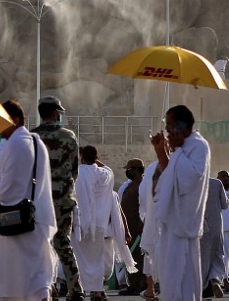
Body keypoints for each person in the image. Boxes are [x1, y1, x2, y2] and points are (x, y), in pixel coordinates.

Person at [0, 99, 57, 301]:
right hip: (35, 218)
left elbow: (12, 183)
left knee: (20, 278)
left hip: (21, 222)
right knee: (35, 275)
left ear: (15, 120)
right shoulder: (34, 141)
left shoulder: (19, 143)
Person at [149, 105, 210, 299]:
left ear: (182, 126)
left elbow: (188, 179)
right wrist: (162, 152)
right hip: (171, 223)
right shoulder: (181, 148)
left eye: (169, 125)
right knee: (170, 277)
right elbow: (167, 179)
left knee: (184, 278)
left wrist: (173, 151)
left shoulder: (198, 146)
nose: (166, 130)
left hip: (184, 223)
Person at [31, 95, 83, 299]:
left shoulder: (31, 137)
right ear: (54, 113)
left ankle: (42, 289)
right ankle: (75, 290)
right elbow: (75, 169)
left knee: (38, 247)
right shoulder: (69, 136)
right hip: (63, 200)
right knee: (64, 246)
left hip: (39, 202)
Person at [71, 145, 136, 299]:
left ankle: (79, 289)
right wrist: (93, 160)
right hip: (100, 226)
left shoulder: (78, 173)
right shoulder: (107, 174)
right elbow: (104, 167)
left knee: (81, 259)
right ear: (96, 158)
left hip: (82, 225)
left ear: (82, 158)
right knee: (98, 260)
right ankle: (97, 290)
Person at [119, 158, 147, 295]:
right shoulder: (132, 185)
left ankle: (142, 285)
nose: (127, 172)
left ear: (136, 169)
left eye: (129, 169)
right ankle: (134, 284)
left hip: (138, 228)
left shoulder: (143, 185)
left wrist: (141, 225)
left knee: (139, 257)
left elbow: (145, 207)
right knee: (131, 257)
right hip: (128, 228)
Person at [201, 175, 228, 297]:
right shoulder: (216, 183)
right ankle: (216, 280)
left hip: (199, 225)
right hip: (216, 225)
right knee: (217, 255)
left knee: (202, 257)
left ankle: (203, 286)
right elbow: (225, 205)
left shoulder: (191, 183)